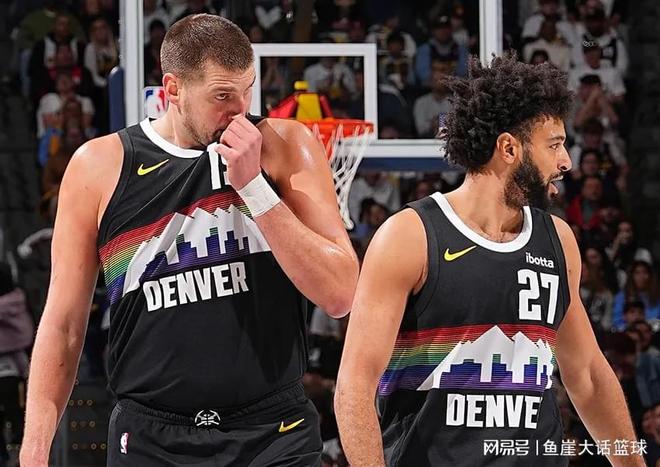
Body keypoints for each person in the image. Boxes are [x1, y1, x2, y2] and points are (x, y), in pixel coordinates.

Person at [21, 14, 359, 467]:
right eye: (222, 96)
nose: (239, 110)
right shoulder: (98, 167)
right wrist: (34, 450)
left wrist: (255, 189)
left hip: (272, 434)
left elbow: (341, 293)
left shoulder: (284, 144)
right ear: (174, 89)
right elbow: (63, 323)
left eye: (247, 91)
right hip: (152, 439)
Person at [334, 54, 644, 466]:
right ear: (509, 147)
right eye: (554, 145)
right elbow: (354, 386)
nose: (566, 161)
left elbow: (586, 374)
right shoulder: (410, 235)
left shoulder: (558, 240)